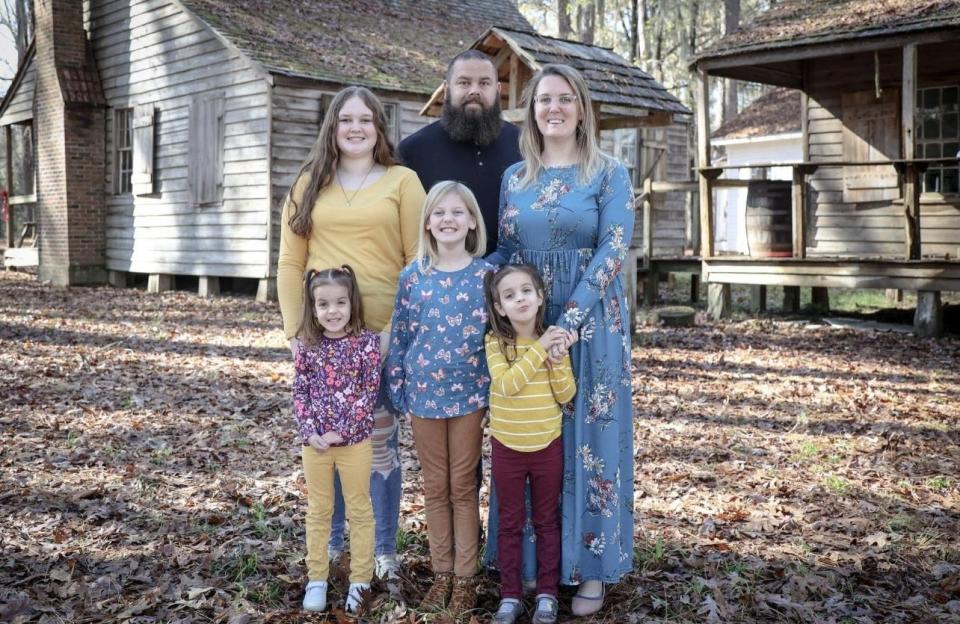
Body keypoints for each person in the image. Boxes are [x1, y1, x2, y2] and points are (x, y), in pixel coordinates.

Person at [486, 63, 636, 616]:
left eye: (566, 99)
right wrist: (462, 277)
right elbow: (504, 253)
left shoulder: (609, 173)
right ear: (531, 110)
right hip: (527, 326)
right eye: (545, 99)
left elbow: (613, 249)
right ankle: (531, 568)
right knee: (532, 440)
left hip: (590, 323)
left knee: (589, 442)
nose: (555, 108)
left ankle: (591, 569)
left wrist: (569, 318)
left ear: (582, 109)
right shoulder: (515, 178)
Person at [277, 86, 425, 583]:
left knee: (376, 444)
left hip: (381, 335)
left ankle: (382, 549)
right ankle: (336, 544)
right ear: (332, 128)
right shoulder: (309, 181)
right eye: (346, 120)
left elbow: (416, 261)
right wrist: (295, 331)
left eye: (366, 119)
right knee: (327, 442)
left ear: (380, 128)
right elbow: (290, 261)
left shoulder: (403, 182)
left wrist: (398, 334)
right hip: (322, 341)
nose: (356, 128)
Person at [385, 181, 494, 613]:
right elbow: (402, 333)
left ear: (471, 221)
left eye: (457, 212)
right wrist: (398, 385)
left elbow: (496, 338)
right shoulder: (414, 276)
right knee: (434, 486)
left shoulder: (485, 276)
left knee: (462, 485)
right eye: (438, 213)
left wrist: (493, 392)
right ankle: (441, 573)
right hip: (424, 395)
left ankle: (466, 579)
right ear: (428, 223)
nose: (447, 219)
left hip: (469, 395)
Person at [483, 264, 577, 624]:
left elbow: (566, 394)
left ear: (540, 297)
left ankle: (547, 595)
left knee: (546, 521)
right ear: (500, 306)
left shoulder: (553, 342)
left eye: (526, 291)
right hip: (508, 447)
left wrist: (556, 360)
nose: (519, 298)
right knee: (509, 522)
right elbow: (506, 384)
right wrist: (541, 348)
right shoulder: (496, 343)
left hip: (546, 447)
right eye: (509, 295)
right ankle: (509, 595)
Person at [293, 266, 381, 614]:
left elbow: (368, 391)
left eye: (340, 302)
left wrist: (340, 431)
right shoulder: (307, 345)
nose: (333, 311)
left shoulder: (366, 343)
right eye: (324, 304)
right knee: (319, 510)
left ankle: (360, 579)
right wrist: (310, 431)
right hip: (315, 445)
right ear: (313, 307)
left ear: (351, 302)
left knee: (359, 509)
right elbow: (300, 390)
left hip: (354, 443)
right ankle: (316, 577)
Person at [398, 50, 521, 256]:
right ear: (446, 90)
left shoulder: (524, 145)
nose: (474, 90)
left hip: (514, 280)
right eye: (464, 83)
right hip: (439, 279)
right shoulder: (413, 150)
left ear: (497, 89)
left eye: (484, 83)